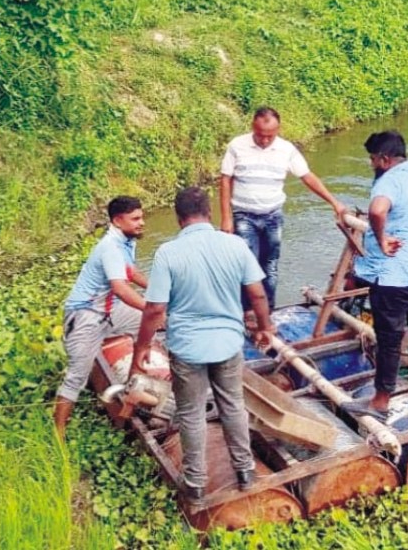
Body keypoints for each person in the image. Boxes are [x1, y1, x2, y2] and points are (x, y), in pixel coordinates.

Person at [130, 187, 275, 501]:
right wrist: (265, 327)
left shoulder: (168, 253)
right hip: (227, 344)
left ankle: (195, 484)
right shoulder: (235, 245)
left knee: (191, 413)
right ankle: (245, 471)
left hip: (187, 348)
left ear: (179, 218)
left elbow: (155, 308)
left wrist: (142, 347)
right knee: (233, 405)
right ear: (209, 213)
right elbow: (258, 293)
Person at [341, 131, 408, 422]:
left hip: (393, 277)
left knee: (389, 338)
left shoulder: (389, 180)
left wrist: (382, 236)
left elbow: (377, 211)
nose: (372, 165)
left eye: (373, 159)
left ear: (385, 159)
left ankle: (379, 402)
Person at [219, 106, 346, 314]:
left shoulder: (286, 150)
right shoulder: (237, 146)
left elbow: (307, 177)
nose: (265, 141)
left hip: (273, 215)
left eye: (270, 136)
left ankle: (267, 312)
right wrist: (226, 218)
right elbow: (225, 180)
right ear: (253, 127)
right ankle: (246, 312)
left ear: (278, 130)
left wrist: (334, 202)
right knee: (246, 266)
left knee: (270, 266)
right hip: (244, 215)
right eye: (261, 135)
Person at [54, 196, 149, 436]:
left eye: (142, 217)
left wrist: (160, 293)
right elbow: (120, 287)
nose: (142, 223)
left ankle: (133, 384)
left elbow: (131, 272)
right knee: (77, 376)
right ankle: (58, 432)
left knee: (152, 322)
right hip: (86, 314)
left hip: (110, 309)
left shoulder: (128, 240)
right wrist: (151, 307)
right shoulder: (110, 247)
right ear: (117, 221)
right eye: (135, 218)